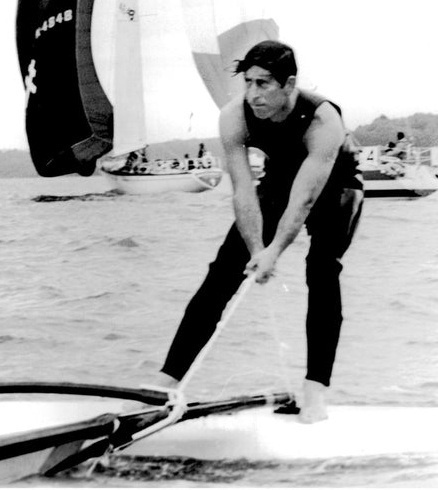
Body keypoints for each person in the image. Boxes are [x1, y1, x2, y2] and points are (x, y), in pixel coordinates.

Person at [150, 41, 363, 423]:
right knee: (223, 272)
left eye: (264, 84)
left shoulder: (322, 120)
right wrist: (254, 250)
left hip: (337, 184)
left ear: (289, 84)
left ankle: (315, 391)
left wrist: (274, 251)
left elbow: (304, 200)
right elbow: (244, 190)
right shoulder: (235, 117)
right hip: (279, 180)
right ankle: (166, 380)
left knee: (322, 269)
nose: (253, 94)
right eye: (248, 83)